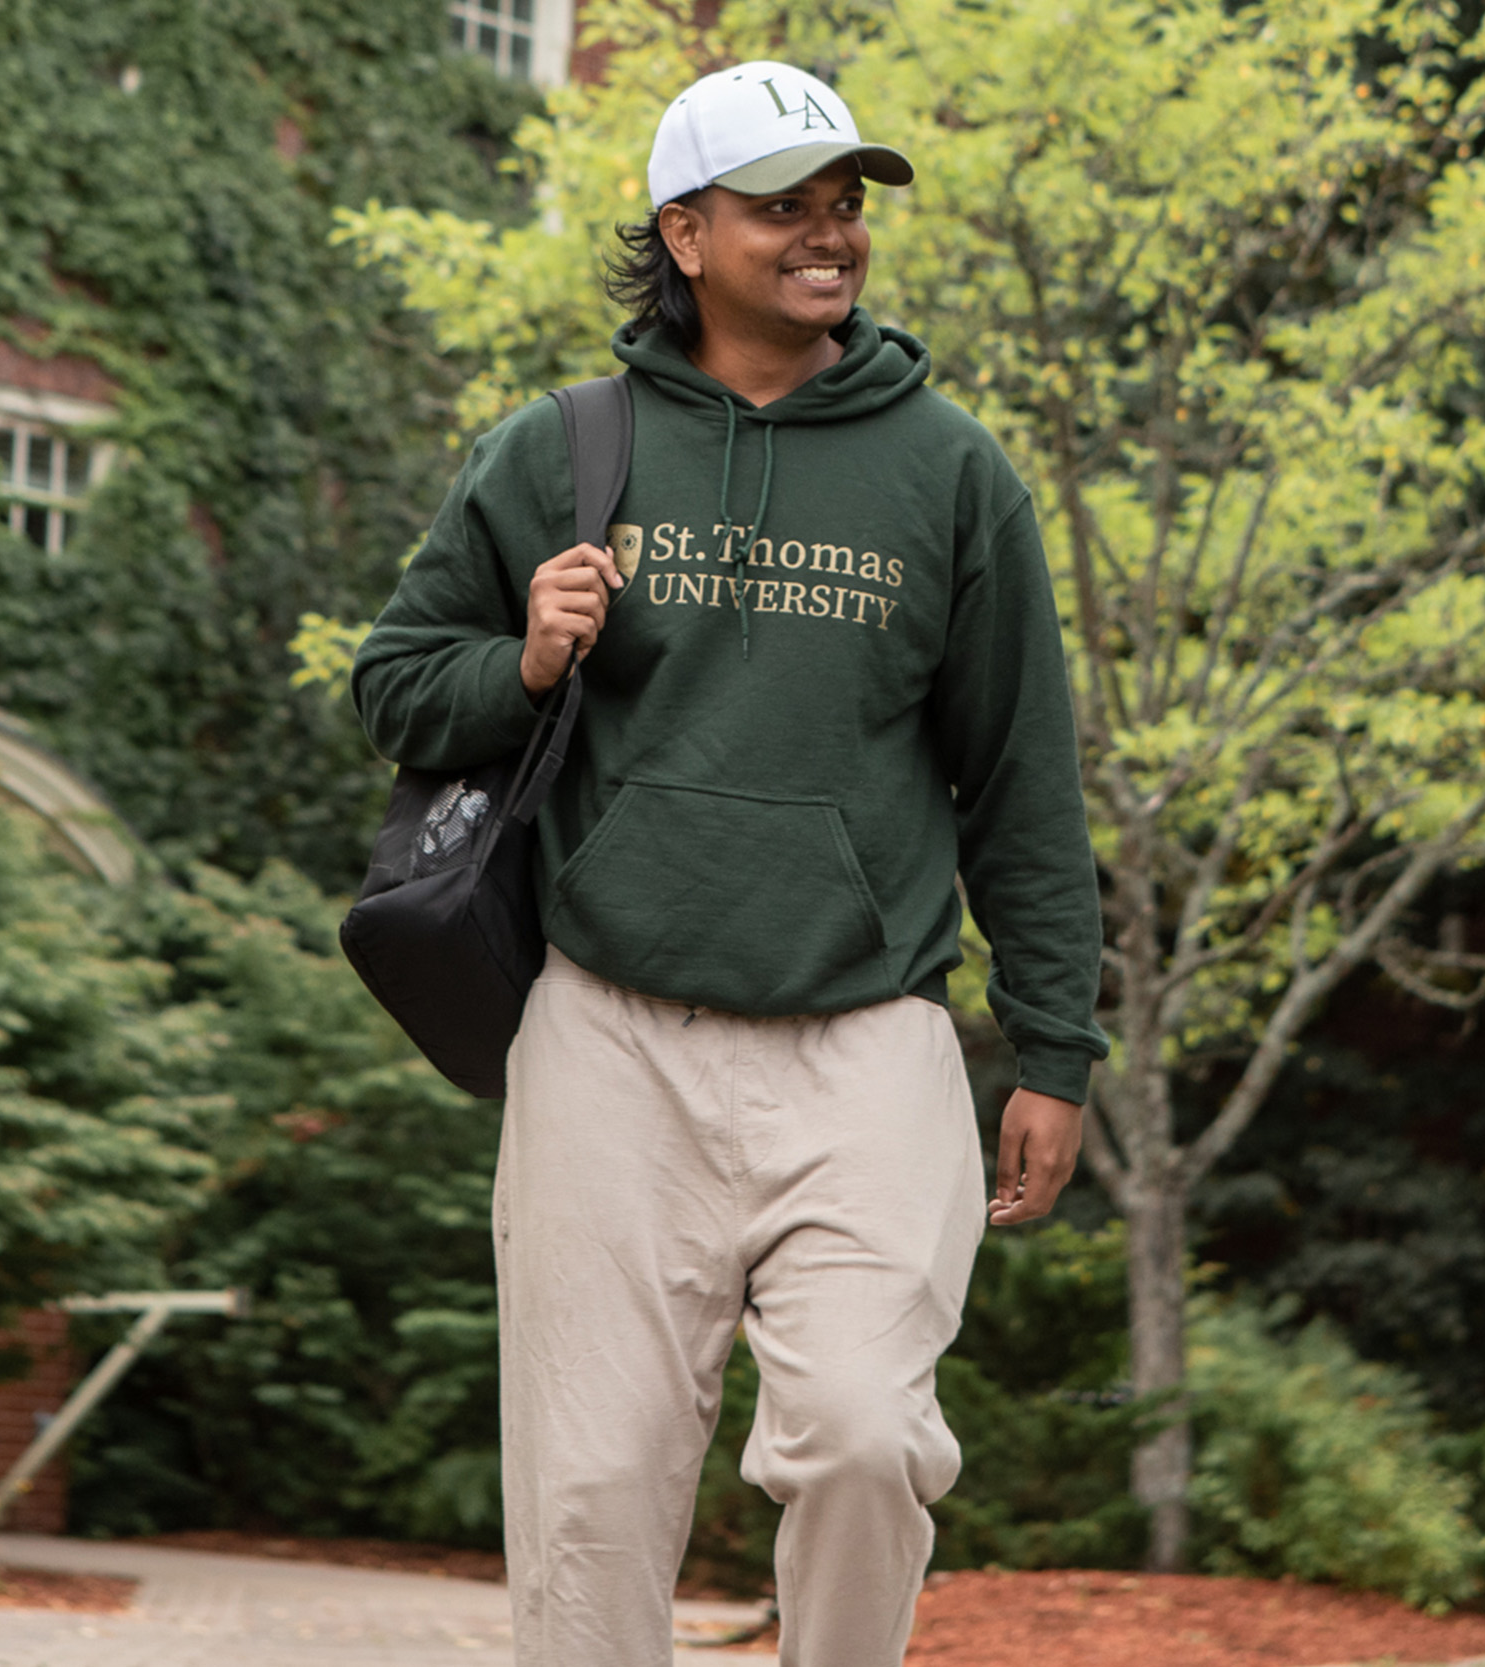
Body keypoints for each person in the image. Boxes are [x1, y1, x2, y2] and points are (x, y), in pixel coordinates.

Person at [351, 59, 1109, 1667]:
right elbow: (396, 683)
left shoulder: (951, 471)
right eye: (785, 208)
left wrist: (1054, 1042)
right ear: (685, 232)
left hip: (868, 1040)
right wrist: (526, 663)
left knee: (863, 1441)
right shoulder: (558, 448)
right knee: (592, 1498)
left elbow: (1021, 777)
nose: (828, 235)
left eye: (843, 205)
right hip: (611, 1036)